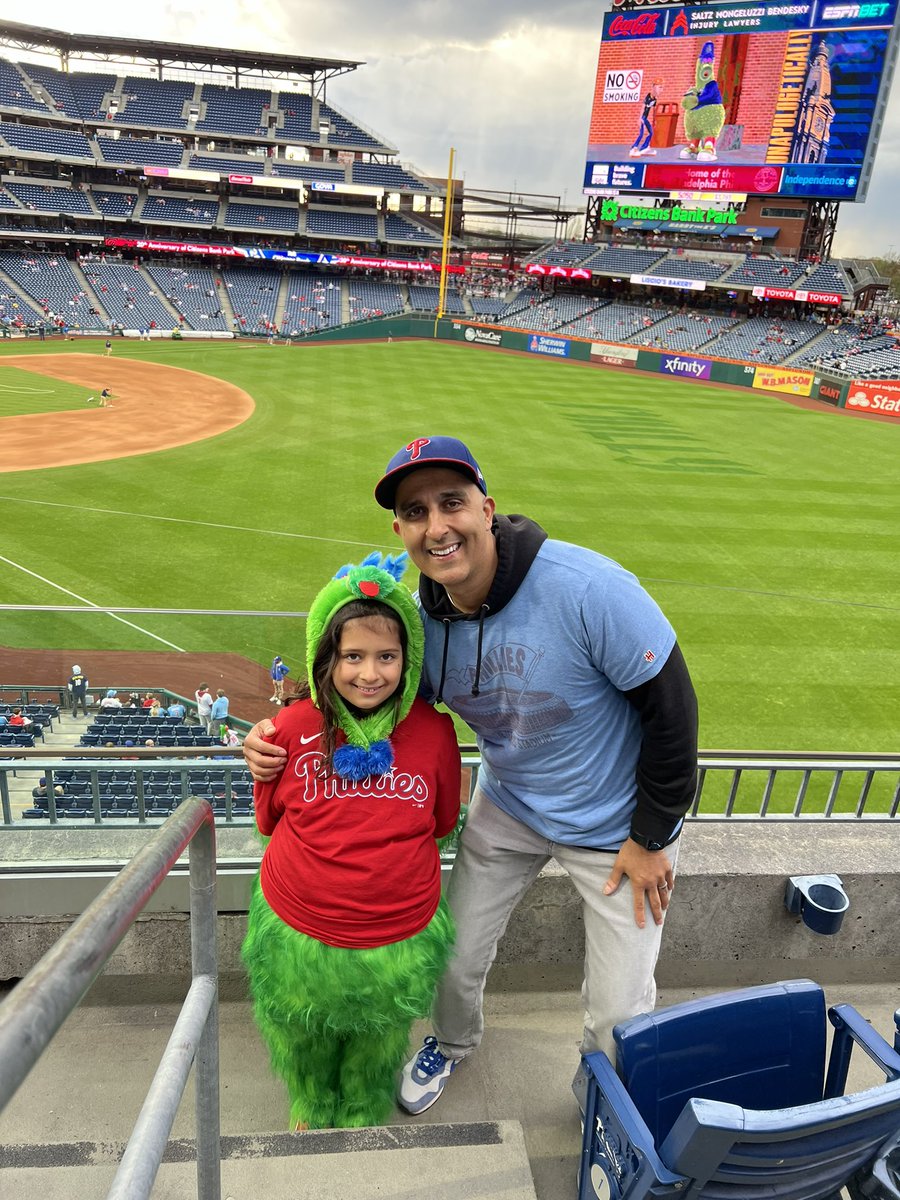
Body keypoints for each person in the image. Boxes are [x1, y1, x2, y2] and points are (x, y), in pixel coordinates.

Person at [243, 436, 698, 1118]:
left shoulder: (588, 587)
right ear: (399, 530)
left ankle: (608, 1100)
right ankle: (453, 1044)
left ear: (487, 508)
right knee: (451, 960)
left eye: (451, 502)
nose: (437, 525)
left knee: (617, 1007)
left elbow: (673, 707)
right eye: (415, 511)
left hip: (617, 823)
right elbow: (365, 695)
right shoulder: (416, 620)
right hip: (509, 803)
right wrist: (272, 733)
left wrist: (652, 835)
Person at [241, 553, 460, 1130]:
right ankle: (312, 1108)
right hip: (298, 931)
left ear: (408, 660)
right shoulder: (287, 728)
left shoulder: (435, 730)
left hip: (398, 936)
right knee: (302, 1038)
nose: (370, 673)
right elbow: (269, 823)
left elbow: (440, 823)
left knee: (379, 1046)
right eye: (352, 656)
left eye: (387, 657)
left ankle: (361, 1115)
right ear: (325, 657)